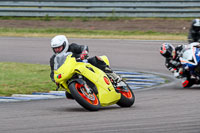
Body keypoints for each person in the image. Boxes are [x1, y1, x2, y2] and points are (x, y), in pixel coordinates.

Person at [50, 35, 122, 92]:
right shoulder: (53, 59)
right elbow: (53, 72)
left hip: (83, 65)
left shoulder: (72, 47)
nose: (57, 50)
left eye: (59, 48)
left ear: (65, 44)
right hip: (70, 74)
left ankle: (115, 77)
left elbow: (83, 47)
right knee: (68, 94)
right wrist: (55, 80)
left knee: (95, 59)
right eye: (55, 48)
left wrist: (84, 52)